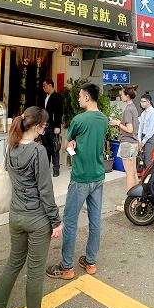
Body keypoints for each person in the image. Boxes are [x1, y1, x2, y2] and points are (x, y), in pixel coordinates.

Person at [0, 106, 62, 308]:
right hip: (37, 219)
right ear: (37, 126)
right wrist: (56, 220)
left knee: (13, 263)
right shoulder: (38, 151)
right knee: (35, 272)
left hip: (15, 217)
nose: (44, 130)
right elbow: (45, 191)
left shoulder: (11, 147)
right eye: (44, 126)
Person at [46, 83, 107, 280]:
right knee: (95, 220)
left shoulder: (79, 120)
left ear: (87, 97)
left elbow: (65, 146)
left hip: (80, 177)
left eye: (80, 96)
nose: (79, 99)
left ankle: (67, 267)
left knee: (70, 222)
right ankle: (90, 262)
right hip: (98, 176)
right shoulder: (104, 119)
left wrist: (71, 144)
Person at [111, 86, 139, 206]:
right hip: (133, 143)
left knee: (129, 174)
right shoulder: (134, 107)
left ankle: (129, 202)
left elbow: (129, 129)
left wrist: (118, 123)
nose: (120, 96)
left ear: (127, 95)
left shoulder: (128, 109)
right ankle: (137, 198)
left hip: (127, 143)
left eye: (121, 94)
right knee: (134, 172)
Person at [40, 78, 64, 177]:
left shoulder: (57, 96)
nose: (43, 88)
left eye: (44, 86)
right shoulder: (45, 97)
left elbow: (59, 112)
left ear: (50, 85)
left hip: (53, 126)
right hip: (44, 126)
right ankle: (46, 168)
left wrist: (58, 126)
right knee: (46, 148)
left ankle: (56, 169)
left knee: (54, 147)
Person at [138, 94, 154, 167]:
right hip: (143, 136)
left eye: (143, 101)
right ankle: (144, 176)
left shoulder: (153, 113)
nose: (141, 103)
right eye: (141, 101)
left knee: (148, 158)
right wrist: (139, 139)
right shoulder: (143, 113)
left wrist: (143, 142)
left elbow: (151, 130)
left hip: (151, 137)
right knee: (142, 157)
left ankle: (151, 176)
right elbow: (140, 127)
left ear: (149, 102)